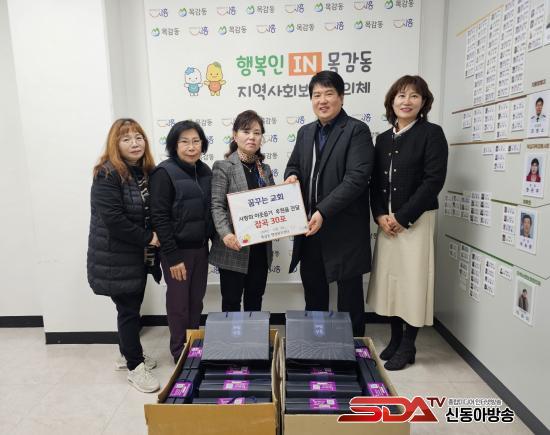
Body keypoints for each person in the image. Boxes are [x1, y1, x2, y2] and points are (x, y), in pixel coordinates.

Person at [284, 70, 374, 337]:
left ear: (341, 97)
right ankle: (316, 343)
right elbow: (293, 165)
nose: (322, 100)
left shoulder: (356, 130)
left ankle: (354, 347)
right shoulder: (305, 132)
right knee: (314, 292)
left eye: (329, 94)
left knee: (349, 296)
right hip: (310, 228)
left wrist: (323, 210)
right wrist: (292, 176)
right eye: (316, 95)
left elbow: (357, 178)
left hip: (344, 228)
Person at [367, 75, 448, 370]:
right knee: (391, 282)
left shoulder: (432, 134)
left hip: (416, 220)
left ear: (423, 102)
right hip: (386, 222)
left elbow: (433, 181)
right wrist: (380, 215)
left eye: (414, 96)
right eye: (401, 95)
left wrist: (403, 217)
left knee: (412, 282)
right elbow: (374, 183)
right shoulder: (382, 139)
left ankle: (409, 345)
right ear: (392, 101)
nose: (407, 101)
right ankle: (395, 338)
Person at [87, 118, 161, 393]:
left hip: (134, 255)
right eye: (126, 138)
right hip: (115, 257)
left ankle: (126, 353)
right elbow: (114, 220)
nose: (134, 143)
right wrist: (149, 237)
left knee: (130, 307)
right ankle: (134, 366)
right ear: (115, 144)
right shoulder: (107, 174)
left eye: (138, 137)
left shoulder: (142, 172)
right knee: (129, 310)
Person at [150, 120, 213, 363]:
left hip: (200, 249)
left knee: (196, 301)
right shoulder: (164, 173)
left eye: (196, 141)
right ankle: (179, 351)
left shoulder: (205, 171)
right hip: (176, 253)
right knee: (179, 304)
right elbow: (159, 217)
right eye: (184, 142)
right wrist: (173, 257)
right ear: (174, 145)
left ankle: (193, 345)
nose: (191, 147)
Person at [209, 110, 275, 311]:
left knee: (255, 300)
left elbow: (273, 206)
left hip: (260, 248)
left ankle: (254, 334)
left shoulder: (265, 169)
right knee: (231, 302)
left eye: (257, 133)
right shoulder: (223, 167)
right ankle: (232, 334)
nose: (252, 137)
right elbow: (217, 205)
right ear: (235, 135)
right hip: (233, 246)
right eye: (246, 131)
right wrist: (226, 234)